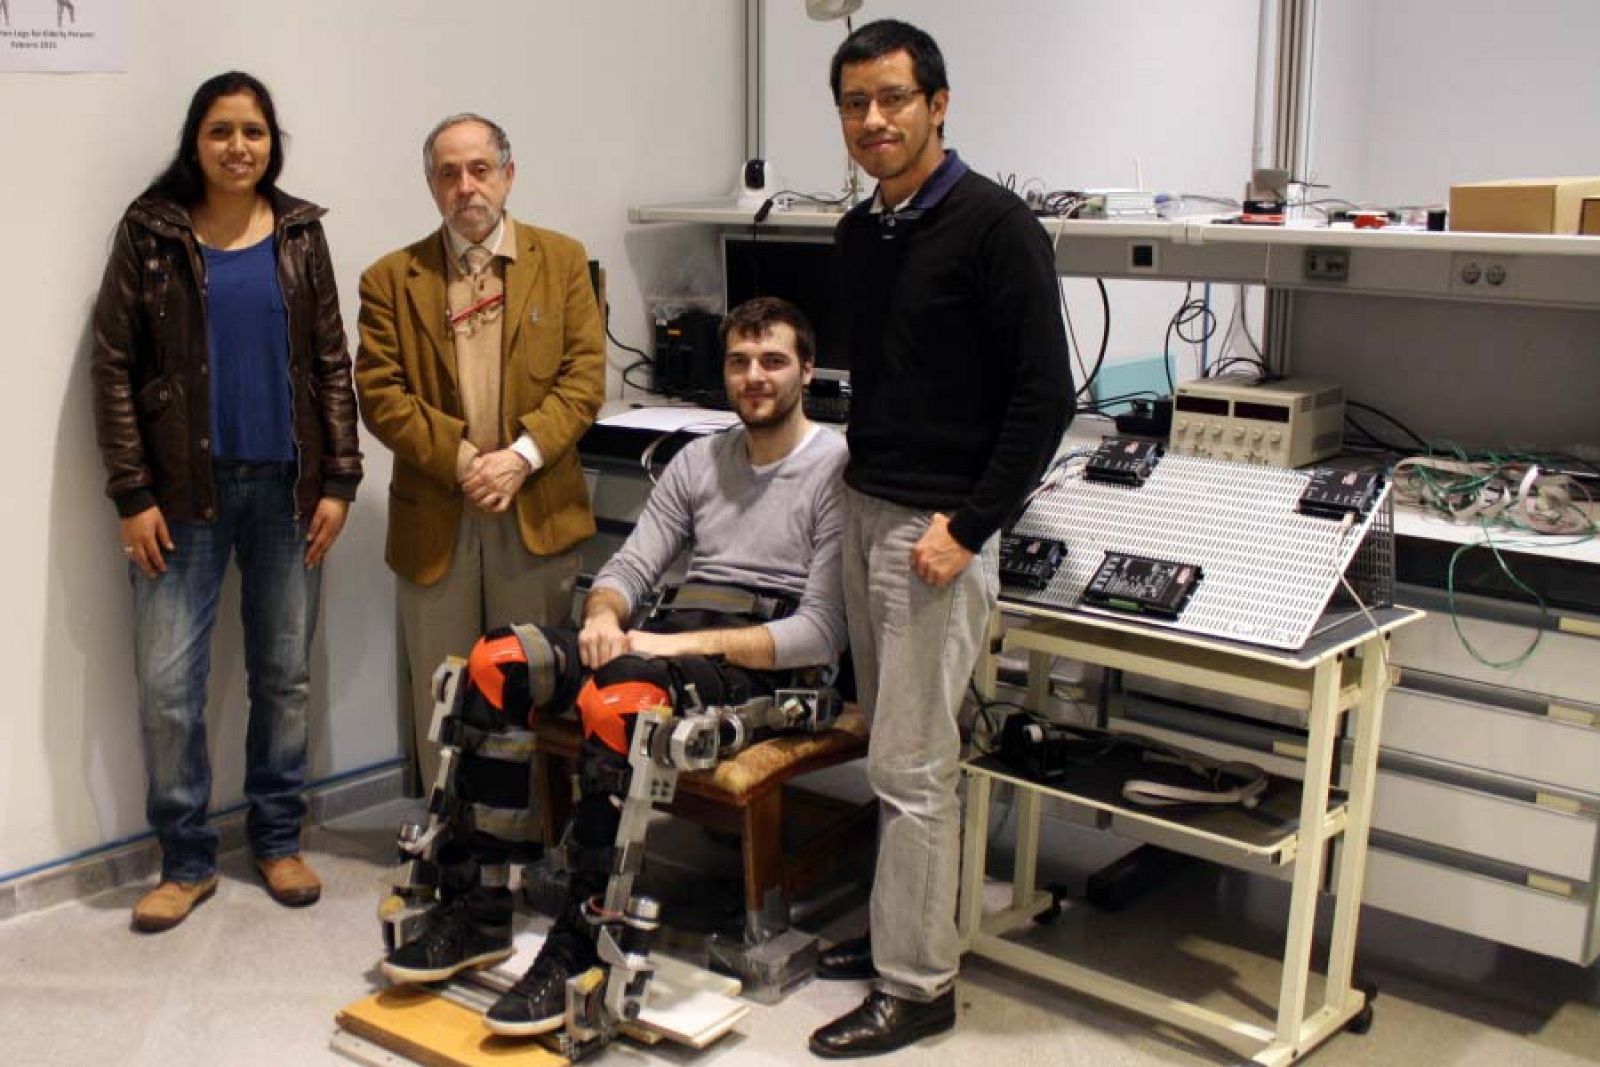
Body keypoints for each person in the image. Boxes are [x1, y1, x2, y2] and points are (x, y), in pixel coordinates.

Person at [380, 297, 848, 1038]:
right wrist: (604, 614)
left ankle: (585, 938)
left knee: (620, 696)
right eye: (739, 361)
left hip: (763, 665)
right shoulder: (701, 459)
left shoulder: (837, 469)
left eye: (773, 361)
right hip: (668, 637)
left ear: (808, 370)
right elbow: (630, 566)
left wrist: (668, 648)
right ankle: (482, 905)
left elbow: (818, 633)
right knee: (498, 661)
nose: (754, 377)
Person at [809, 20, 1075, 1058]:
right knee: (889, 751)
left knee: (917, 767)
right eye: (854, 103)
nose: (873, 120)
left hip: (936, 530)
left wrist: (968, 528)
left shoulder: (997, 227)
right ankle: (898, 929)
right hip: (868, 507)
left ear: (938, 103)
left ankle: (918, 984)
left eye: (892, 99)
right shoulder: (861, 234)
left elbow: (1045, 398)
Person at [91, 71, 363, 933]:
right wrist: (132, 492)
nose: (238, 146)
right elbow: (112, 365)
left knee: (284, 678)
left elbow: (331, 360)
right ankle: (186, 860)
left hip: (289, 490)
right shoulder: (150, 230)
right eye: (220, 131)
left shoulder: (300, 232)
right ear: (195, 141)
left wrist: (341, 479)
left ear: (272, 142)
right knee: (168, 686)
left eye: (253, 131)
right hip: (180, 496)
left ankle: (278, 839)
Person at [355, 113, 605, 789]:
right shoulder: (390, 278)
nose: (466, 186)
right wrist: (466, 462)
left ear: (508, 175)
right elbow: (380, 394)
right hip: (439, 511)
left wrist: (520, 456)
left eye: (480, 169)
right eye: (449, 173)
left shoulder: (563, 262)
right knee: (445, 691)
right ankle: (449, 834)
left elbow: (584, 381)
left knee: (533, 686)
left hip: (535, 507)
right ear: (432, 185)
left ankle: (534, 835)